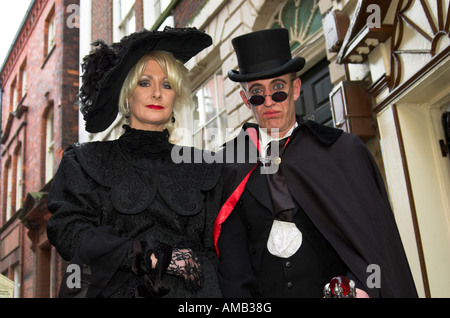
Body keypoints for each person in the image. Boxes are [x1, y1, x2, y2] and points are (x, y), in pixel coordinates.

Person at [214, 28, 418, 298]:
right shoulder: (229, 165)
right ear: (245, 100)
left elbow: (373, 242)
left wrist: (360, 287)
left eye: (278, 90)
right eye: (256, 94)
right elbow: (233, 265)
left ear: (295, 89)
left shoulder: (340, 153)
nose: (269, 102)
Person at [46, 27, 223, 298]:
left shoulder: (205, 168)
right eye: (144, 83)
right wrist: (148, 257)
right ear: (127, 94)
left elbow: (223, 251)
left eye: (167, 85)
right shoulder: (85, 162)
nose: (157, 94)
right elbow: (70, 233)